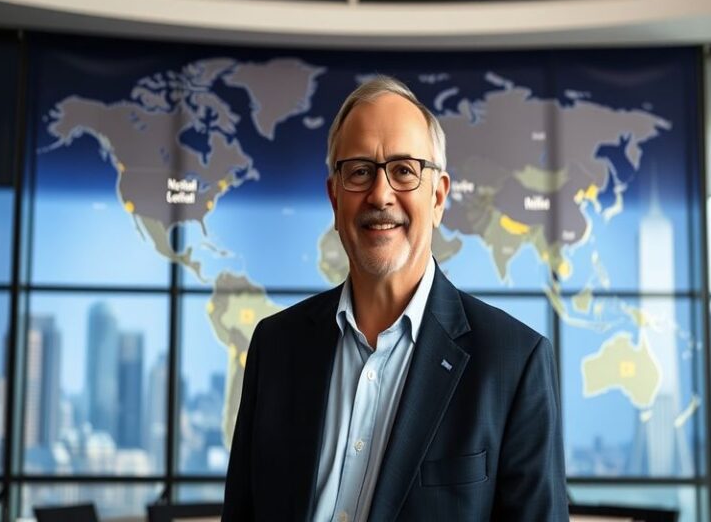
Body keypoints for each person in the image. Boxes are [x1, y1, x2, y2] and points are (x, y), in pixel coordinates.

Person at [222, 76, 568, 521]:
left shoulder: (514, 363)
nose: (380, 194)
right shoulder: (276, 346)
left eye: (404, 170)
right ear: (334, 196)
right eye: (359, 171)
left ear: (439, 196)